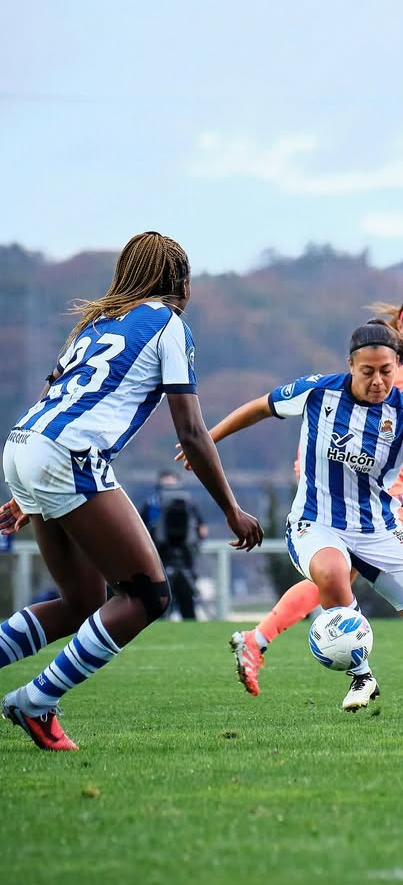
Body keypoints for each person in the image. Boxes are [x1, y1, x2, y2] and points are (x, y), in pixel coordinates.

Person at [0, 231, 263, 752]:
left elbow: (55, 392)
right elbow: (190, 430)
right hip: (70, 454)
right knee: (147, 594)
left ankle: (35, 700)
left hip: (24, 443)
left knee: (80, 604)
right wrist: (231, 509)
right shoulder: (169, 324)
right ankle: (35, 701)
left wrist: (29, 489)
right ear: (180, 284)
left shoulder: (96, 323)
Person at [180, 318, 403, 716]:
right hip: (317, 521)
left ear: (397, 367)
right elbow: (259, 407)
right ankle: (362, 674)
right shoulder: (318, 391)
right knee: (330, 572)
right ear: (351, 366)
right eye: (368, 372)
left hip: (379, 527)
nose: (378, 380)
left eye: (386, 371)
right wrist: (207, 440)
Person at [140, 469, 208, 620]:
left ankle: (161, 618)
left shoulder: (152, 502)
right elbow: (202, 530)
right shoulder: (188, 501)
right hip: (184, 554)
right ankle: (188, 618)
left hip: (161, 554)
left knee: (161, 592)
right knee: (185, 595)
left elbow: (141, 528)